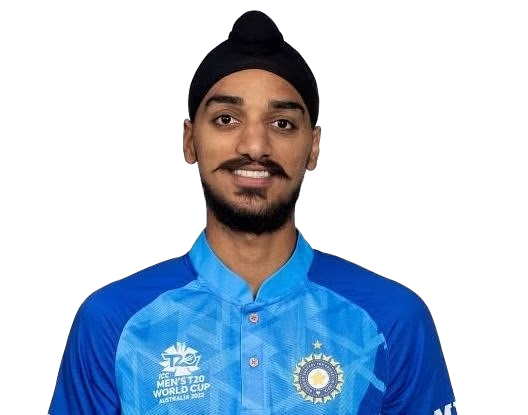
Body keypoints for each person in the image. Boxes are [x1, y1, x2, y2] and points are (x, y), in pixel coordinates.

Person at [49, 10, 457, 415]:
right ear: (190, 141)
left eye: (282, 124)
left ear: (313, 147)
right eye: (226, 119)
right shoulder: (113, 322)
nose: (255, 146)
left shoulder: (392, 319)